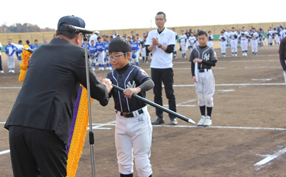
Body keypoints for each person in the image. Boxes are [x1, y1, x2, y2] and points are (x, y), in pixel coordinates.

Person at [4, 15, 112, 177]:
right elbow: (98, 92)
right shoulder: (77, 53)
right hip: (47, 127)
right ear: (78, 37)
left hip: (17, 125)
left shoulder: (39, 51)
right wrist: (106, 87)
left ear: (57, 32)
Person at [106, 37, 154, 177]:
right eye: (111, 56)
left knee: (141, 161)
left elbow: (149, 82)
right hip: (121, 121)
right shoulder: (111, 75)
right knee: (123, 161)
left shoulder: (135, 70)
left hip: (139, 120)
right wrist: (102, 88)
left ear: (128, 55)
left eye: (117, 56)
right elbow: (105, 100)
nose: (113, 59)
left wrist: (136, 89)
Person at [146, 11, 178, 125]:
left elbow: (170, 49)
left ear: (165, 20)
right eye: (157, 19)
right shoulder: (151, 33)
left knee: (170, 93)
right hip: (155, 67)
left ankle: (173, 116)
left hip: (166, 67)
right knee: (157, 93)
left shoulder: (170, 33)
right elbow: (146, 50)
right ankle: (159, 116)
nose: (158, 21)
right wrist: (153, 45)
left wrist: (158, 44)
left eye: (160, 19)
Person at [189, 30, 218, 127]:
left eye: (203, 38)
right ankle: (202, 116)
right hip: (198, 73)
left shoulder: (210, 50)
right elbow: (192, 64)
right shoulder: (195, 50)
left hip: (207, 73)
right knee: (200, 97)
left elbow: (213, 63)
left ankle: (208, 117)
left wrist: (201, 60)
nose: (201, 40)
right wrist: (193, 75)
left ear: (207, 38)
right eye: (199, 39)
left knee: (208, 96)